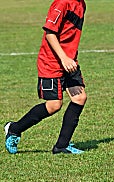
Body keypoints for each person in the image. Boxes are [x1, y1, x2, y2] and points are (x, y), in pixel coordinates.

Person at [4, 0, 87, 154]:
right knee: (54, 105)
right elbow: (50, 33)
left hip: (69, 61)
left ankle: (61, 146)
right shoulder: (61, 3)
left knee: (79, 98)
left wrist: (69, 58)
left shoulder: (81, 4)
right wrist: (63, 58)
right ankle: (14, 129)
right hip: (52, 62)